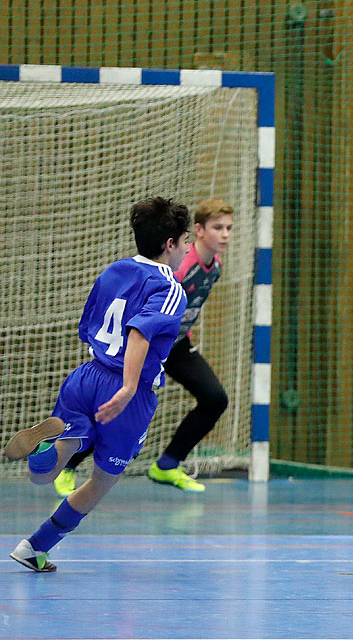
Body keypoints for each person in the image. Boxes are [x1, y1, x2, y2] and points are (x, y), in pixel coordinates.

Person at [7, 197, 191, 572]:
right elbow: (139, 332)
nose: (188, 248)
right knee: (103, 480)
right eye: (186, 240)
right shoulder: (171, 288)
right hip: (127, 391)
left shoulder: (114, 270)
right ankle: (35, 547)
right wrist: (125, 389)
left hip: (86, 375)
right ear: (170, 243)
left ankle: (48, 454)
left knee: (55, 466)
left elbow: (87, 325)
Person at [53, 198, 236, 496]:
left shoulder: (214, 267)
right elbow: (146, 311)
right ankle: (69, 463)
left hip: (176, 345)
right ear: (197, 232)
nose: (226, 234)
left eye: (229, 227)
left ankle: (167, 465)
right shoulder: (176, 270)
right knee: (117, 407)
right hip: (147, 342)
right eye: (219, 228)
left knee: (215, 398)